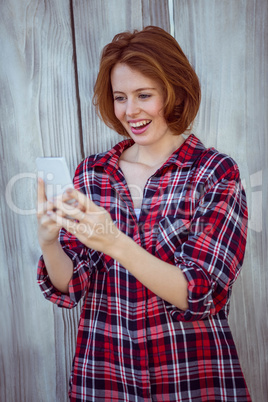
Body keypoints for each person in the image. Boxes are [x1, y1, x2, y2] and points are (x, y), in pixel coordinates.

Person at [37, 26, 251, 401]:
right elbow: (73, 285)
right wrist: (50, 242)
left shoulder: (215, 173)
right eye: (120, 97)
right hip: (106, 377)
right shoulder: (93, 173)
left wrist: (116, 243)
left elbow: (198, 293)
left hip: (190, 378)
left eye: (144, 95)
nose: (130, 111)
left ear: (174, 92)